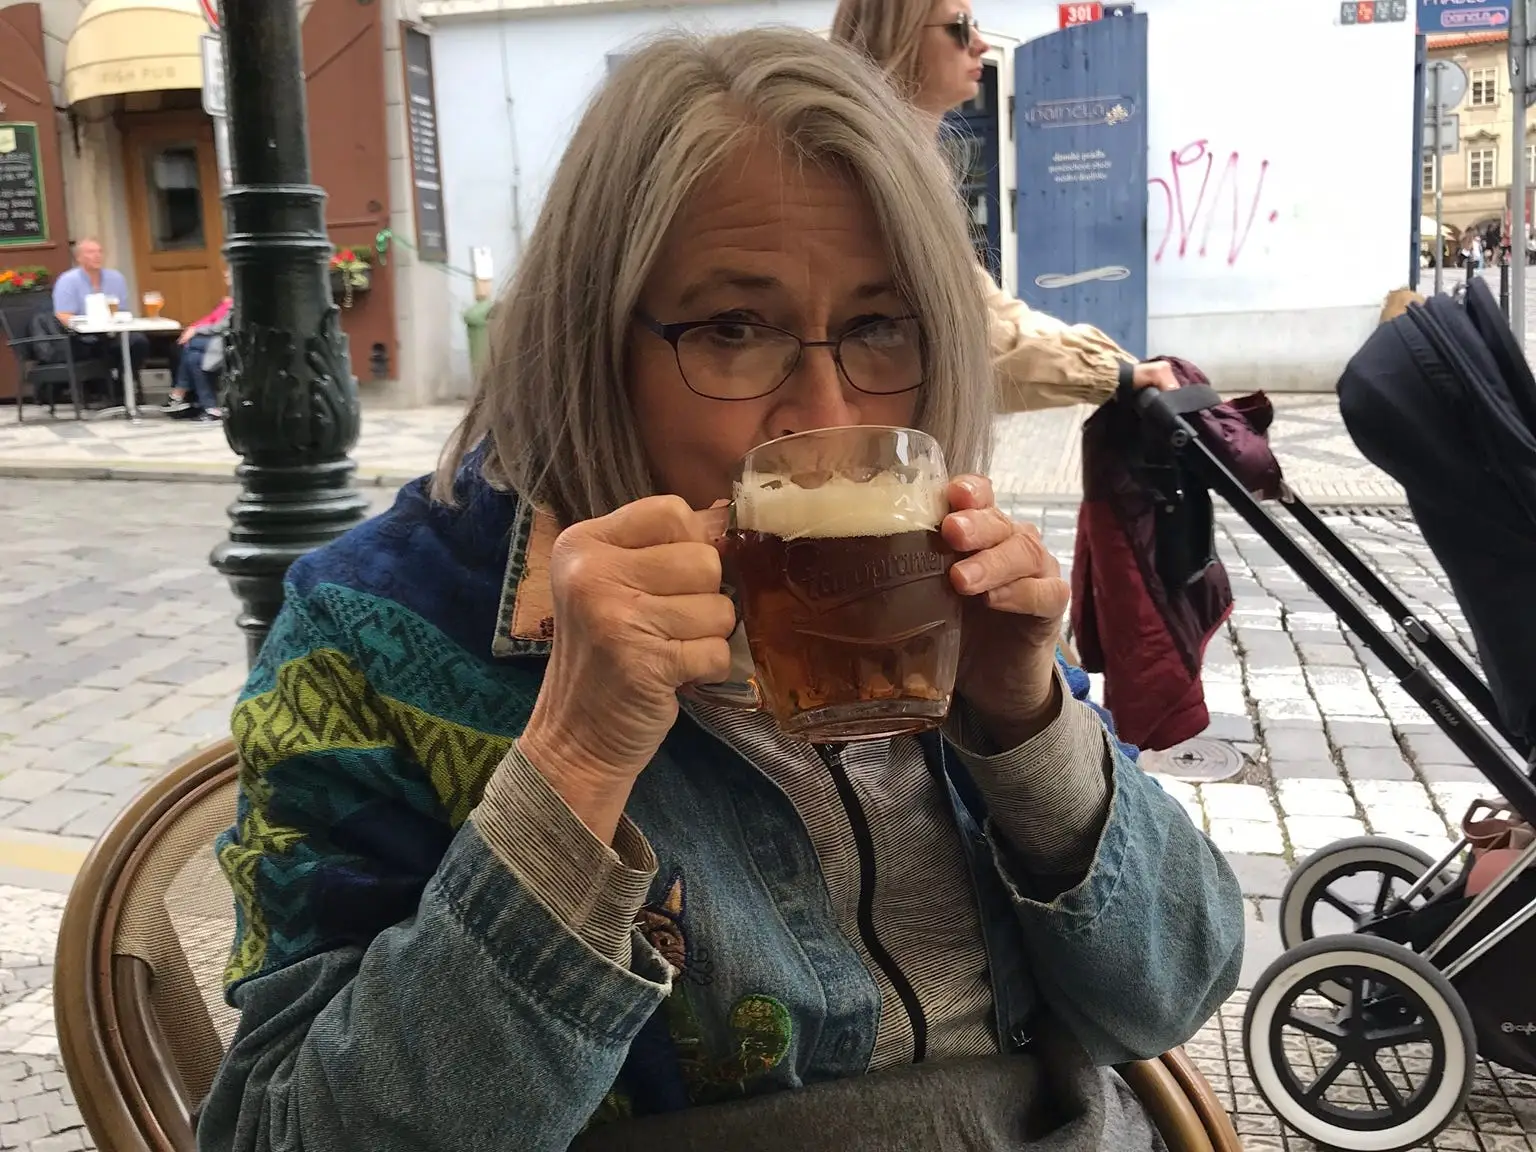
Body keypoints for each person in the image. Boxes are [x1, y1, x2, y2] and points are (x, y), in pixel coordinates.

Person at [199, 28, 1242, 1152]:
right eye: (734, 329)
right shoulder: (374, 632)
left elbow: (1169, 996)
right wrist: (574, 765)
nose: (827, 418)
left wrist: (1031, 723)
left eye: (880, 326)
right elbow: (276, 1131)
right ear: (594, 339)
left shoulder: (943, 587)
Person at [830, 0, 1178, 411]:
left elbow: (985, 302)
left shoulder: (912, 165)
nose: (979, 43)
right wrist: (1109, 374)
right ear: (896, 39)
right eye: (960, 27)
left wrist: (1111, 361)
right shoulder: (870, 179)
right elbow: (959, 338)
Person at [51, 236, 149, 401]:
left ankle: (124, 384)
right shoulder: (68, 280)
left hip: (112, 332)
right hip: (82, 337)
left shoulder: (115, 278)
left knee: (138, 341)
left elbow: (122, 310)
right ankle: (109, 391)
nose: (97, 256)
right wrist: (86, 324)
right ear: (79, 257)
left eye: (99, 251)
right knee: (101, 348)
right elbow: (63, 315)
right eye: (91, 252)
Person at [163, 268, 232, 421]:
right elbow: (213, 320)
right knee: (193, 355)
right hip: (217, 339)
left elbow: (222, 325)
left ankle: (180, 392)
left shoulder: (239, 299)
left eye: (229, 270)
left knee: (191, 346)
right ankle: (209, 407)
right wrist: (194, 328)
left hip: (230, 341)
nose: (225, 273)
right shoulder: (229, 299)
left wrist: (196, 330)